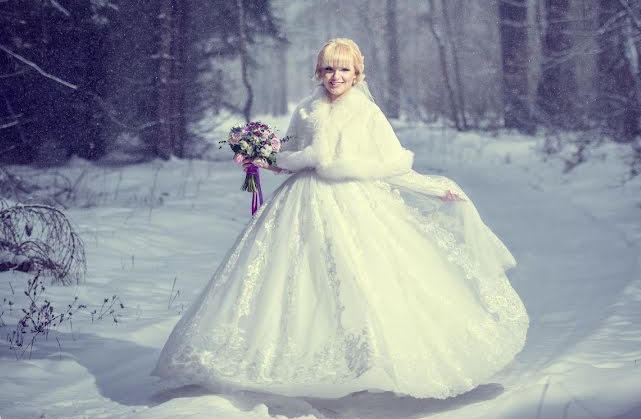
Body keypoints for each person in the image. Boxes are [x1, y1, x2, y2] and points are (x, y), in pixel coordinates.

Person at [152, 38, 529, 400]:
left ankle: (370, 360)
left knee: (360, 278)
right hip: (301, 201)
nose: (336, 76)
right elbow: (291, 153)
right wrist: (263, 156)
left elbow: (392, 165)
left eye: (344, 69)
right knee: (298, 278)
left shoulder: (368, 113)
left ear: (357, 74)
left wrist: (433, 189)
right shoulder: (305, 109)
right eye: (329, 69)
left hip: (355, 201)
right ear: (320, 72)